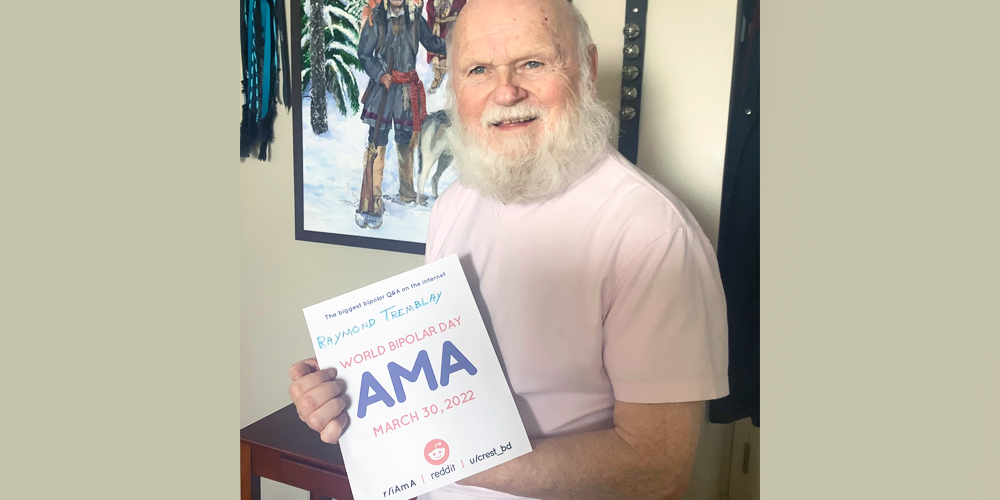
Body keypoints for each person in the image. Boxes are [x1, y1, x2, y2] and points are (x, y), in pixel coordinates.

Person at [289, 1, 729, 499]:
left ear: (586, 68)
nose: (506, 91)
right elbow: (440, 366)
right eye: (478, 70)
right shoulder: (455, 203)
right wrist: (346, 388)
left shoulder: (652, 235)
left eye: (533, 63)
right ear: (454, 86)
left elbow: (656, 468)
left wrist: (437, 455)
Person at [357, 0, 446, 215]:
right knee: (377, 138)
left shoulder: (415, 19)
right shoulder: (375, 18)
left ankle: (407, 191)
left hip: (407, 90)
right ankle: (372, 195)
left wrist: (458, 44)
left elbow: (433, 43)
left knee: (406, 139)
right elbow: (364, 54)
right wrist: (379, 75)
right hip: (383, 89)